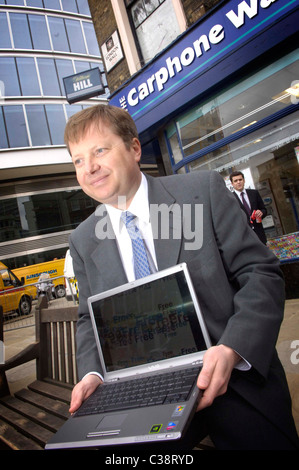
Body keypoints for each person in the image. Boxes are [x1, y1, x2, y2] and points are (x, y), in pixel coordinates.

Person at [65, 104, 298, 450]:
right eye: (78, 160)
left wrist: (233, 348)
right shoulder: (84, 240)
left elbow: (260, 273)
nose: (90, 168)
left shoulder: (200, 192)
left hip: (234, 376)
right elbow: (88, 318)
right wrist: (93, 374)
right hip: (150, 392)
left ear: (134, 148)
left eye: (100, 150)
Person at [229, 170, 267, 244]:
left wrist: (261, 212)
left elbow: (264, 210)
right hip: (244, 238)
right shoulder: (230, 199)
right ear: (232, 184)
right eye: (236, 181)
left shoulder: (254, 193)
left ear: (244, 180)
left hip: (259, 235)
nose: (238, 182)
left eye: (240, 179)